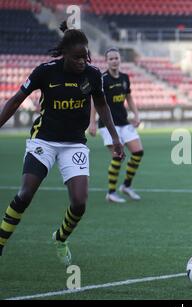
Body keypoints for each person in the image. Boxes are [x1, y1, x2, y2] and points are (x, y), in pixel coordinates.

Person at [0, 22, 124, 265]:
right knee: (25, 194)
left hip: (75, 143)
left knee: (79, 203)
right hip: (43, 140)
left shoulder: (92, 74)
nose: (82, 61)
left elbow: (101, 105)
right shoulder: (45, 72)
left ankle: (60, 237)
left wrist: (115, 137)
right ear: (65, 55)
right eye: (77, 57)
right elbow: (15, 100)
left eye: (85, 56)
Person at [89, 48, 144, 203]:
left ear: (120, 60)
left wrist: (136, 115)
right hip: (108, 125)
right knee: (118, 157)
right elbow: (94, 100)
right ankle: (111, 193)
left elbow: (129, 97)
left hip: (124, 122)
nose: (114, 61)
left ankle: (126, 186)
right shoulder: (103, 79)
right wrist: (92, 122)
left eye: (116, 58)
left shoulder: (125, 77)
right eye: (111, 58)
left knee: (138, 152)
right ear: (107, 61)